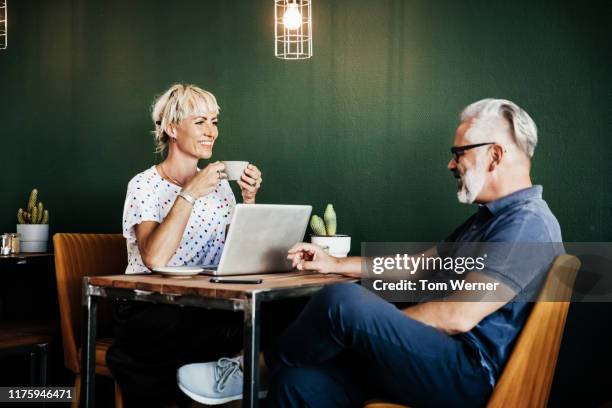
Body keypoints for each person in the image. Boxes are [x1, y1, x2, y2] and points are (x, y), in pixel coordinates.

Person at [178, 98, 563, 407]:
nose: (451, 163)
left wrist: (370, 333)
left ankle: (252, 369)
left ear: (494, 156)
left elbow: (458, 315)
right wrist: (335, 263)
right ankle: (271, 372)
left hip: (468, 374)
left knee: (343, 300)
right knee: (299, 384)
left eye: (458, 152)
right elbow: (418, 266)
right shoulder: (488, 219)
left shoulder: (526, 223)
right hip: (432, 360)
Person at [106, 83, 263, 407]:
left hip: (205, 303)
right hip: (150, 307)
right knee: (228, 329)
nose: (212, 132)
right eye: (200, 121)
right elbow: (153, 257)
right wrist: (189, 194)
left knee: (277, 313)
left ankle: (230, 376)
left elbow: (236, 257)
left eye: (214, 121)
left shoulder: (221, 188)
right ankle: (222, 378)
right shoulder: (144, 185)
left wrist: (248, 200)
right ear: (171, 128)